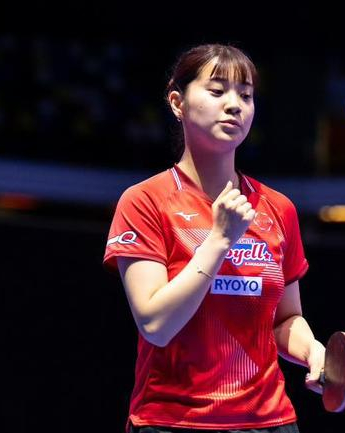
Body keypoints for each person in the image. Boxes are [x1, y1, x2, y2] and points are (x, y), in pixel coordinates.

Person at [103, 43, 325, 433]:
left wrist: (313, 350)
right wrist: (220, 239)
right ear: (178, 102)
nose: (234, 105)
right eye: (217, 91)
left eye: (246, 95)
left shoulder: (278, 208)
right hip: (171, 421)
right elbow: (156, 324)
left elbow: (285, 320)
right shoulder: (145, 201)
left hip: (269, 422)